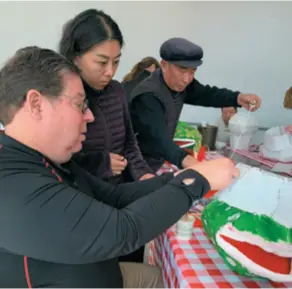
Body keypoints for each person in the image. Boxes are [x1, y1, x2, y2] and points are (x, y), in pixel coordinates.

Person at [0, 46, 239, 288]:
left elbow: (114, 197)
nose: (89, 116)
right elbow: (122, 231)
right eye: (79, 104)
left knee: (173, 278)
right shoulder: (10, 181)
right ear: (36, 104)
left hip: (111, 276)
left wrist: (183, 176)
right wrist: (196, 182)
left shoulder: (45, 157)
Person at [129, 37, 262, 173]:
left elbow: (206, 94)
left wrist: (237, 98)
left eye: (192, 71)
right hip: (138, 167)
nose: (187, 79)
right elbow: (159, 140)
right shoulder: (148, 96)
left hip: (158, 161)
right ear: (164, 65)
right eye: (182, 70)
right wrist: (199, 167)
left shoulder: (180, 83)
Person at [59, 9, 155, 187]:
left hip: (117, 192)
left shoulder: (116, 91)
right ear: (76, 57)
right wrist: (100, 164)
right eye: (102, 62)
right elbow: (57, 162)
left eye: (116, 61)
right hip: (82, 196)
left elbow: (129, 143)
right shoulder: (60, 97)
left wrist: (143, 175)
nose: (110, 71)